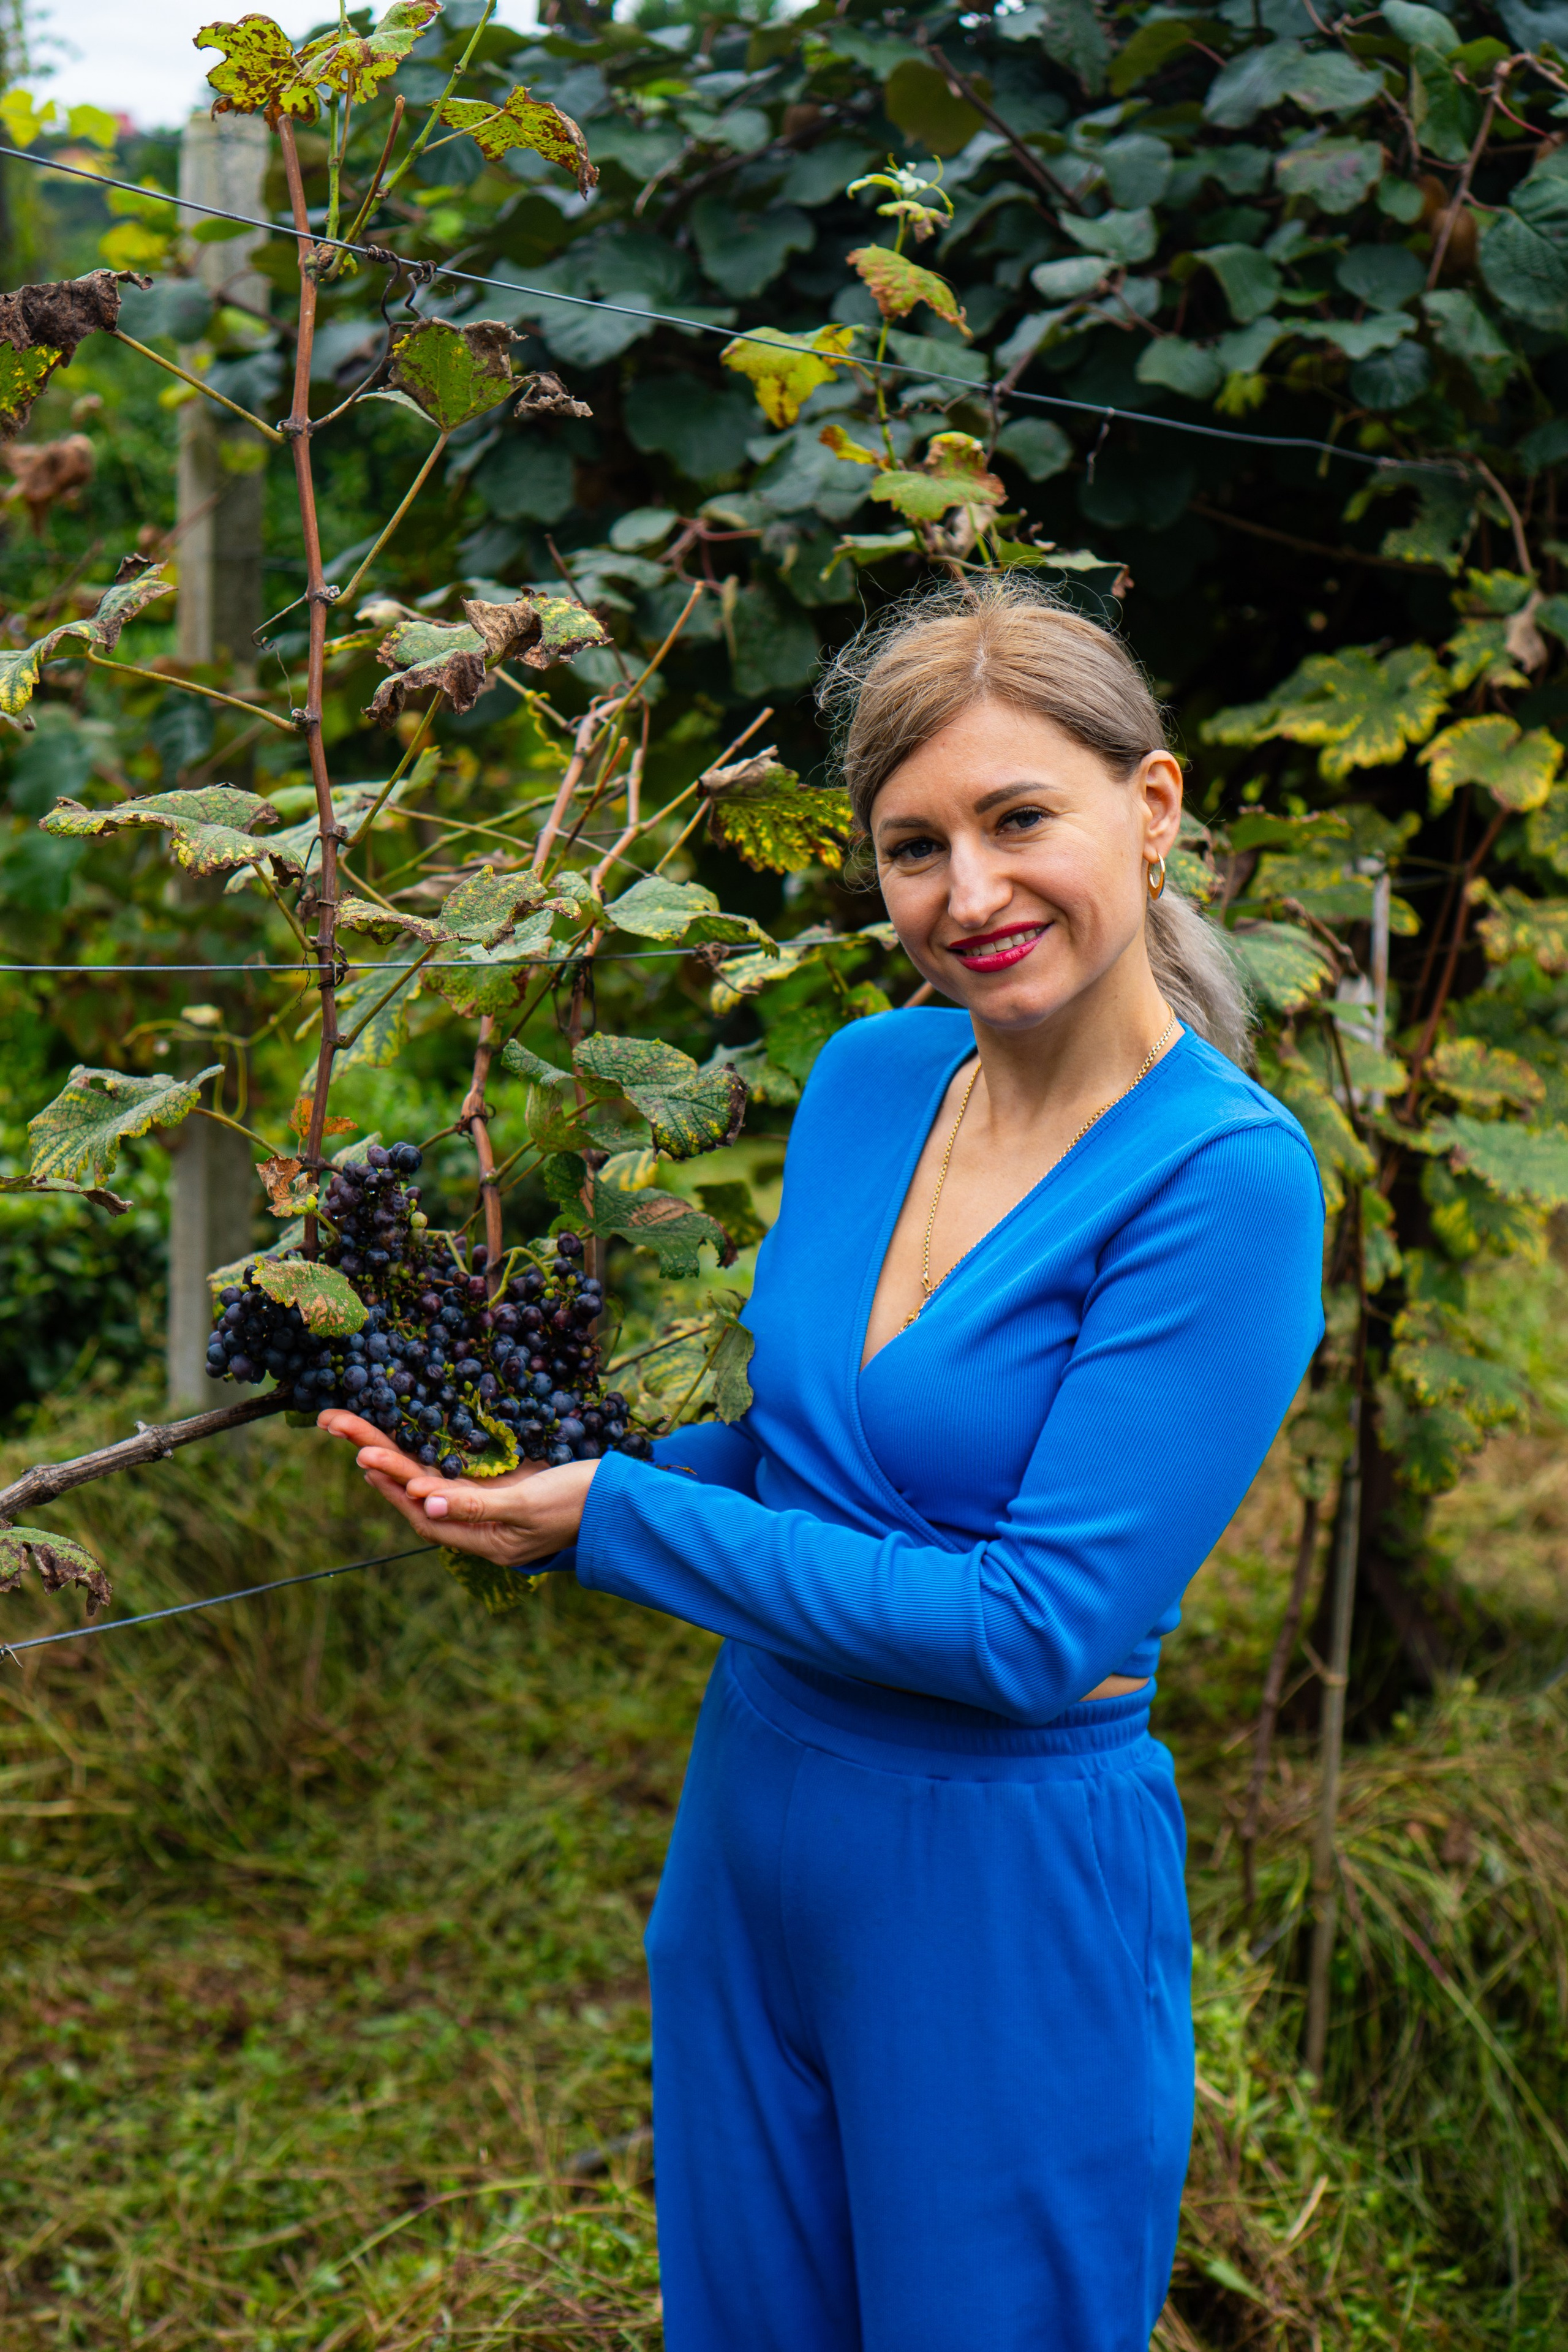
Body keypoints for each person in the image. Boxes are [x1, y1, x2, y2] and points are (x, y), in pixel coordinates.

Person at [320, 577, 1325, 2352]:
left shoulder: (1222, 1186)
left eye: (1022, 820)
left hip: (997, 1889)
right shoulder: (872, 1077)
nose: (970, 894)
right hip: (757, 1822)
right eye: (914, 845)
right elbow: (809, 1458)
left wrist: (624, 1519)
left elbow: (1030, 1627)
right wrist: (535, 1478)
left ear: (1151, 809)